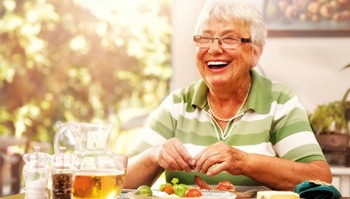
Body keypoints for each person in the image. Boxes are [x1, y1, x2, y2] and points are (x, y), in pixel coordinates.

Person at [124, 0, 332, 191]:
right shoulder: (177, 105)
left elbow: (319, 178)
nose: (214, 49)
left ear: (255, 52)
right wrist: (154, 155)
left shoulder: (280, 102)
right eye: (205, 38)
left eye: (229, 39)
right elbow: (120, 180)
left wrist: (244, 162)